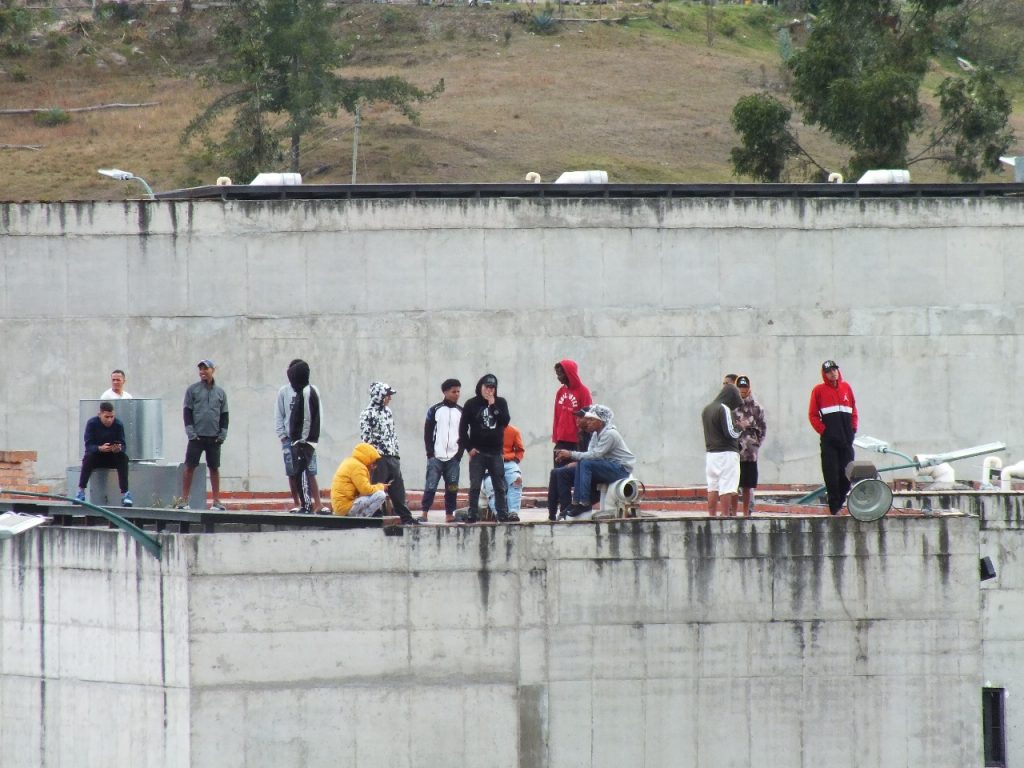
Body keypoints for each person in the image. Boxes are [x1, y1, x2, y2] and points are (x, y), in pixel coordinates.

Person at [557, 405, 635, 518]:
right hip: (608, 466)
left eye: (591, 419)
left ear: (601, 421)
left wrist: (571, 454)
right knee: (582, 462)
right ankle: (576, 502)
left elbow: (595, 455)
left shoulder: (610, 434)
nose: (588, 422)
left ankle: (584, 502)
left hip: (621, 469)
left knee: (585, 462)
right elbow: (590, 454)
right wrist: (575, 457)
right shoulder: (596, 434)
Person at [459, 373, 516, 523]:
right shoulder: (471, 404)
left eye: (492, 388)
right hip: (478, 451)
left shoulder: (501, 402)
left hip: (496, 451)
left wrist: (493, 405)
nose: (489, 390)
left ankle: (502, 514)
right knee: (475, 485)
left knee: (499, 485)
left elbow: (505, 421)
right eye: (487, 387)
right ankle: (473, 514)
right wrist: (469, 448)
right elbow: (462, 429)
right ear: (481, 387)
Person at [360, 382, 418, 525]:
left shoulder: (388, 412)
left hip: (392, 456)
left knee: (398, 488)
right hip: (378, 457)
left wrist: (396, 453)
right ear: (379, 396)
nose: (389, 398)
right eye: (387, 395)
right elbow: (366, 438)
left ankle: (406, 517)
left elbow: (393, 434)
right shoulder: (367, 414)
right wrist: (372, 459)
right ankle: (375, 515)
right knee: (377, 488)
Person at [809, 359, 858, 515]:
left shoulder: (846, 388)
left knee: (847, 472)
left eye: (835, 370)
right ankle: (834, 506)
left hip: (846, 440)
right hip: (829, 441)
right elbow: (813, 415)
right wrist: (824, 431)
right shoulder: (818, 390)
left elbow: (853, 409)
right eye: (829, 371)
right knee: (831, 474)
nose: (833, 373)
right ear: (825, 374)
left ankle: (843, 501)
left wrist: (853, 429)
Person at [178, 360, 228, 510]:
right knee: (189, 467)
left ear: (213, 370)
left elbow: (225, 415)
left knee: (214, 468)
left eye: (206, 369)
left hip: (214, 437)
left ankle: (216, 501)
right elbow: (187, 412)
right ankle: (184, 500)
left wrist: (222, 434)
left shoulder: (220, 393)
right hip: (197, 437)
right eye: (200, 369)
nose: (203, 372)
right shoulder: (192, 390)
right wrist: (191, 433)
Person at [275, 360, 322, 514]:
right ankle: (302, 503)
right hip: (294, 440)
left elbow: (308, 418)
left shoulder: (308, 392)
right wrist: (284, 436)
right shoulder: (292, 392)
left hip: (303, 442)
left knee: (306, 472)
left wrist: (302, 440)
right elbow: (280, 415)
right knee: (295, 472)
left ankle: (309, 505)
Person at [74, 401, 132, 507]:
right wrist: (99, 448)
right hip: (97, 457)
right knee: (88, 457)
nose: (109, 420)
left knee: (123, 458)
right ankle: (81, 491)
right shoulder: (92, 423)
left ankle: (125, 494)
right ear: (99, 414)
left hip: (111, 456)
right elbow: (88, 445)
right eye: (106, 417)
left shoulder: (118, 424)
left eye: (112, 417)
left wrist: (118, 448)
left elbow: (123, 444)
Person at [421, 378, 463, 523]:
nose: (457, 394)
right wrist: (430, 453)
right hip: (436, 457)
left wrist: (459, 455)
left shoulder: (461, 411)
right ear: (445, 392)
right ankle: (424, 512)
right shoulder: (435, 410)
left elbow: (464, 435)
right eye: (453, 391)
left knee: (452, 487)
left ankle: (449, 514)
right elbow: (427, 432)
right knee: (431, 485)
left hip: (453, 458)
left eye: (458, 391)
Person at [702, 383, 745, 517]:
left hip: (711, 454)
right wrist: (740, 428)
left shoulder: (707, 409)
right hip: (726, 454)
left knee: (712, 487)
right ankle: (725, 516)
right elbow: (730, 433)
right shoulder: (723, 409)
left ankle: (712, 515)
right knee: (727, 486)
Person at [547, 408, 593, 521]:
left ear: (588, 419)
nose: (577, 420)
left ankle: (565, 509)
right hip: (583, 465)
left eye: (580, 417)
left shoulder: (593, 434)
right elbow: (582, 455)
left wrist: (575, 462)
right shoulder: (581, 434)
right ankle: (552, 514)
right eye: (576, 417)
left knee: (562, 473)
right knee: (555, 472)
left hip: (591, 468)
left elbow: (593, 455)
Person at [734, 375, 767, 516]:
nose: (743, 390)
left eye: (745, 387)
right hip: (735, 452)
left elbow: (763, 428)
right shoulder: (732, 407)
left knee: (748, 485)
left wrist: (755, 444)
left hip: (750, 454)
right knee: (733, 486)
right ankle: (732, 513)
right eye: (740, 387)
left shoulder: (757, 407)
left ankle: (746, 513)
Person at [330, 442, 390, 517]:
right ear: (368, 458)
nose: (373, 467)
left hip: (340, 507)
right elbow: (365, 490)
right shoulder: (358, 467)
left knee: (371, 495)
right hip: (345, 508)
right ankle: (363, 517)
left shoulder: (350, 461)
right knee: (380, 495)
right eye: (373, 463)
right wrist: (381, 487)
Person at [552, 359, 592, 466]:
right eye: (557, 374)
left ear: (568, 373)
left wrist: (583, 440)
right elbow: (557, 415)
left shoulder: (583, 392)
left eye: (560, 374)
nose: (558, 377)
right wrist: (556, 436)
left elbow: (587, 417)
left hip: (576, 442)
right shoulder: (560, 392)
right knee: (558, 473)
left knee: (573, 474)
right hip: (561, 440)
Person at [482, 423, 525, 518]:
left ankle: (513, 512)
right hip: (491, 462)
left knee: (516, 480)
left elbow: (520, 450)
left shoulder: (513, 430)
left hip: (509, 463)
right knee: (490, 484)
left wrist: (516, 459)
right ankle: (499, 514)